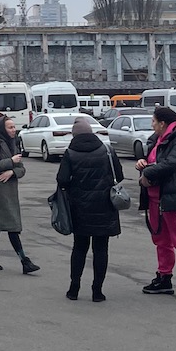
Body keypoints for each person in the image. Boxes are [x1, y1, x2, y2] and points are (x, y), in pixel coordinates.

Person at [55, 115, 124, 302]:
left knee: (79, 248)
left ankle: (74, 288)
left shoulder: (70, 153)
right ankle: (97, 291)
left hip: (79, 207)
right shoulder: (107, 150)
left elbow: (62, 180)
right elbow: (119, 175)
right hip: (105, 207)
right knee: (101, 249)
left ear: (74, 135)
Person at [136, 105, 176, 301]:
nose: (152, 125)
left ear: (163, 123)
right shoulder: (157, 140)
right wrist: (142, 162)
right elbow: (153, 160)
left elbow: (171, 163)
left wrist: (147, 171)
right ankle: (164, 277)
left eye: (154, 122)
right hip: (157, 198)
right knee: (161, 241)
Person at [0, 117, 38, 274]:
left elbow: (22, 168)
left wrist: (12, 171)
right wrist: (10, 162)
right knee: (11, 224)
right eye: (10, 127)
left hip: (9, 189)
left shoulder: (12, 142)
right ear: (2, 129)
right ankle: (24, 261)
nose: (14, 129)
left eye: (14, 127)